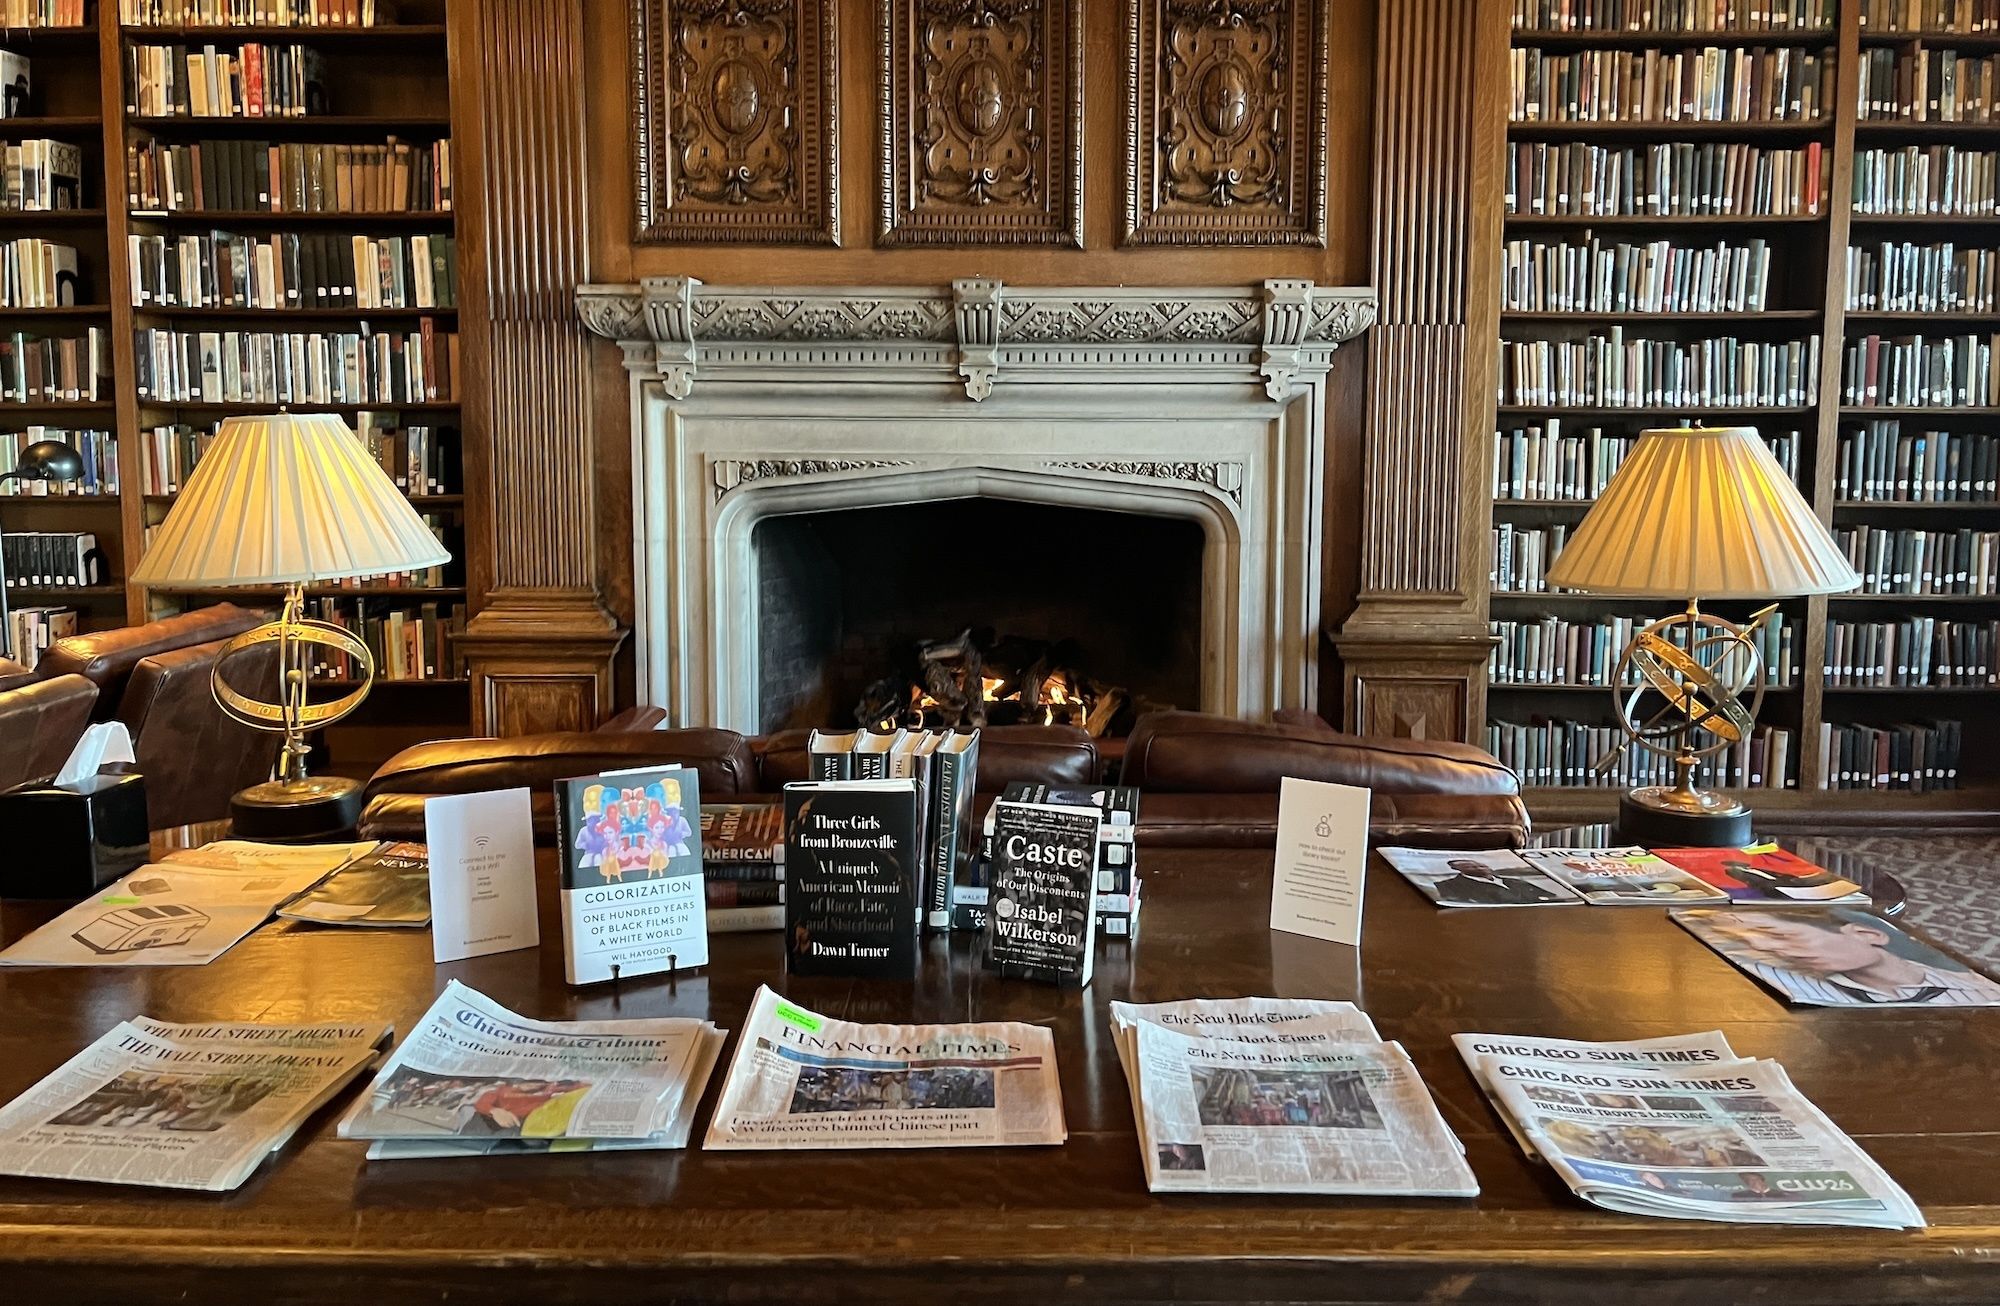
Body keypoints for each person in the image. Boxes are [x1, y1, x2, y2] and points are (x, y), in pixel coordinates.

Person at [1700, 910, 2000, 1005]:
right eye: (1763, 944)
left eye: (1780, 936)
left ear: (1868, 934)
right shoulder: (1792, 983)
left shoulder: (1977, 990)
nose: (1775, 949)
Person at [1432, 857, 1566, 906]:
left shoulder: (1513, 881)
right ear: (1457, 869)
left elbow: (1550, 897)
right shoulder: (1447, 885)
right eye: (1469, 865)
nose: (1479, 867)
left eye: (1479, 864)